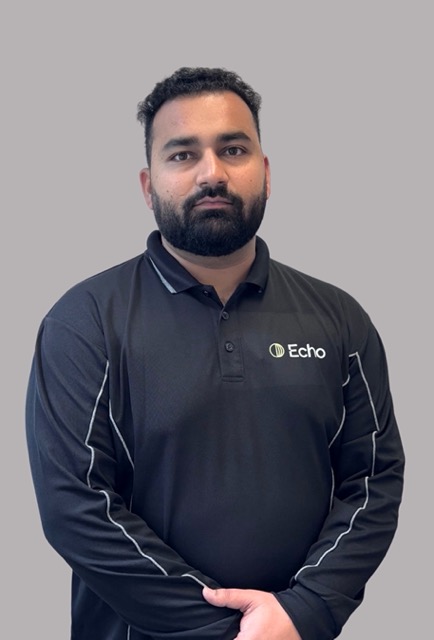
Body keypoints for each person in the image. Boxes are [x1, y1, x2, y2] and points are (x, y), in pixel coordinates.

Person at [26, 67, 405, 640]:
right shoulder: (84, 321)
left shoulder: (339, 318)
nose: (212, 173)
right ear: (148, 185)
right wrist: (231, 632)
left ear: (266, 173)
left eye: (233, 149)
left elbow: (373, 480)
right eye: (182, 154)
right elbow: (74, 508)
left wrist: (304, 611)